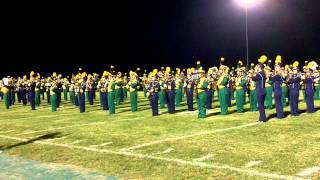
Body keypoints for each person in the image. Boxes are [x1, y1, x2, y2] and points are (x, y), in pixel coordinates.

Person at [252, 56, 267, 123]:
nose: (256, 67)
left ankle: (262, 119)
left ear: (259, 68)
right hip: (263, 90)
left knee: (260, 105)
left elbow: (253, 78)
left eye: (257, 66)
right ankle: (261, 118)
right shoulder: (263, 73)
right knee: (261, 105)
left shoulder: (259, 74)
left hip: (260, 90)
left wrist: (255, 71)